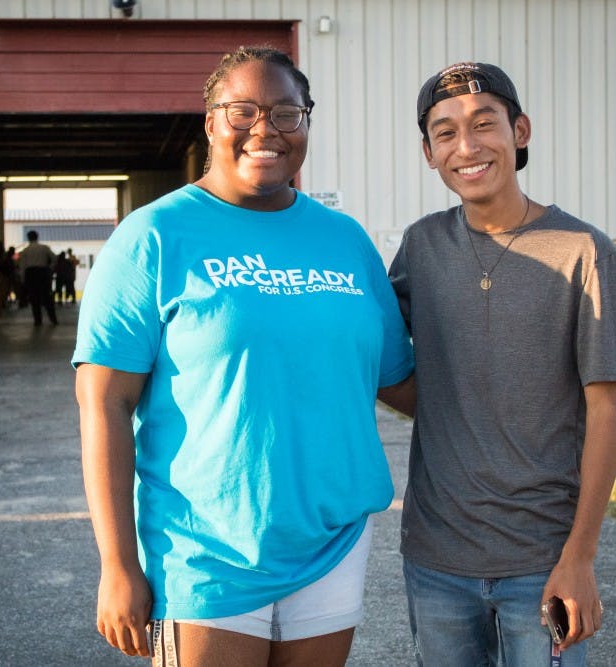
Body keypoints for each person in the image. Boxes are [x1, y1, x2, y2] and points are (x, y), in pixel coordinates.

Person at [72, 45, 414, 667]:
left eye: (287, 113)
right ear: (210, 122)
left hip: (334, 542)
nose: (266, 130)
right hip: (204, 551)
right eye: (243, 111)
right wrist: (118, 565)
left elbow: (399, 380)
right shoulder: (153, 238)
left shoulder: (345, 241)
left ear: (307, 123)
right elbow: (104, 404)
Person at [383, 62, 616, 666]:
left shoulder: (583, 250)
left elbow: (606, 411)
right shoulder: (421, 246)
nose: (466, 147)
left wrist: (580, 557)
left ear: (520, 131)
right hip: (436, 558)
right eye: (444, 133)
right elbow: (373, 354)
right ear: (428, 153)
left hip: (542, 559)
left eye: (483, 124)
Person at [19, 230, 58, 326]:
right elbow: (54, 258)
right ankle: (53, 319)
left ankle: (37, 320)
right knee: (47, 297)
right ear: (37, 237)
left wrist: (23, 279)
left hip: (31, 274)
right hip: (42, 272)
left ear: (28, 238)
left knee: (34, 298)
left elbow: (22, 266)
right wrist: (50, 268)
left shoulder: (25, 251)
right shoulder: (44, 248)